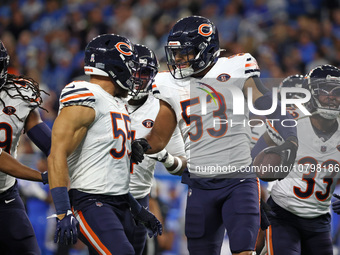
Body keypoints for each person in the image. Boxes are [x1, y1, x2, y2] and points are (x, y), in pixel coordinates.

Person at [131, 16, 298, 255]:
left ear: (206, 49)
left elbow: (265, 102)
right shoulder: (167, 84)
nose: (177, 59)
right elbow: (158, 137)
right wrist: (140, 145)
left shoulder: (236, 67)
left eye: (184, 53)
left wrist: (289, 133)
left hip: (239, 180)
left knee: (243, 250)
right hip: (200, 184)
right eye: (175, 53)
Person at [47, 34, 162, 255]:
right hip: (90, 202)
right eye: (130, 67)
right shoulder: (86, 94)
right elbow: (57, 154)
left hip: (119, 202)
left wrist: (137, 209)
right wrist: (62, 211)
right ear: (115, 67)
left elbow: (109, 170)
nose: (133, 74)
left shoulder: (117, 102)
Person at [253, 65, 340, 255]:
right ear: (312, 92)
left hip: (320, 221)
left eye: (337, 91)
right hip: (284, 215)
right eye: (325, 89)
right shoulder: (290, 122)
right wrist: (254, 199)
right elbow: (252, 161)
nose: (332, 96)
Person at [127, 44, 187, 255]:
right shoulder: (104, 100)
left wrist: (165, 157)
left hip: (139, 199)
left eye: (143, 72)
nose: (137, 77)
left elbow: (183, 164)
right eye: (132, 69)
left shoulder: (162, 108)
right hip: (99, 196)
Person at [0, 40, 51, 255]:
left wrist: (68, 158)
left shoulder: (18, 94)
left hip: (5, 196)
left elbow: (47, 142)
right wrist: (43, 177)